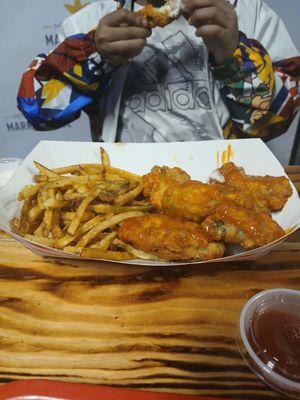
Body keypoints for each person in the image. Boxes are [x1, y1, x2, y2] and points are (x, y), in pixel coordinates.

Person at [17, 0, 300, 143]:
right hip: (123, 189)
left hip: (228, 187)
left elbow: (273, 124)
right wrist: (94, 55)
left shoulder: (247, 12)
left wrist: (234, 53)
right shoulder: (90, 22)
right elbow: (40, 111)